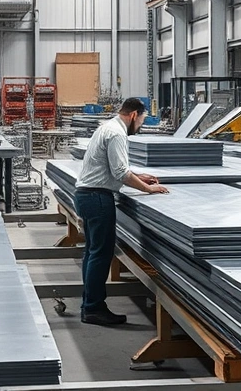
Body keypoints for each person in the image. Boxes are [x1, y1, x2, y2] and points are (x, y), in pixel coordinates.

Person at [74, 97, 169, 326]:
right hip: (97, 197)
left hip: (86, 196)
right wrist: (148, 188)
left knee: (92, 253)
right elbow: (120, 174)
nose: (142, 125)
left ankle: (89, 305)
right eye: (142, 120)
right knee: (101, 254)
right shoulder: (117, 133)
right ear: (134, 115)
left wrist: (139, 175)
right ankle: (94, 308)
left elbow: (117, 167)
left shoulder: (106, 127)